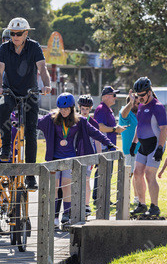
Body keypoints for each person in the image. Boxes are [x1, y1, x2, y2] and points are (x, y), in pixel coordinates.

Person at [38, 93, 116, 225]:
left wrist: (108, 143)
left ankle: (66, 214)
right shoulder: (51, 118)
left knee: (66, 185)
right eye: (61, 109)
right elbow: (37, 123)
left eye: (66, 109)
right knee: (54, 187)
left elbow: (95, 132)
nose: (63, 111)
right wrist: (20, 120)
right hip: (54, 159)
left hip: (70, 158)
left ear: (72, 108)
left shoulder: (80, 121)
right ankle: (54, 217)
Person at [0, 17, 52, 191]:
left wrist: (46, 85)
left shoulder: (34, 47)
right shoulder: (4, 48)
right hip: (9, 91)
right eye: (12, 33)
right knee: (3, 107)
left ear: (26, 33)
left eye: (19, 34)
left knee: (31, 132)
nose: (15, 37)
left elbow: (42, 68)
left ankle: (30, 175)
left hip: (30, 93)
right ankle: (5, 147)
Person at [129, 77, 167, 218]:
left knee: (149, 174)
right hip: (143, 145)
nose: (139, 98)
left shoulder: (158, 107)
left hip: (155, 145)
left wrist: (160, 148)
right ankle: (142, 204)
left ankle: (154, 206)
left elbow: (164, 129)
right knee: (137, 173)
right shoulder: (140, 106)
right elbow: (139, 126)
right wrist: (134, 143)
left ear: (149, 92)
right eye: (137, 95)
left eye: (142, 95)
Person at [92, 86, 125, 204]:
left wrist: (116, 129)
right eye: (113, 95)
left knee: (107, 173)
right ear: (106, 97)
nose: (115, 97)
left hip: (108, 147)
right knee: (103, 172)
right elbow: (99, 127)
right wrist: (115, 129)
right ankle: (99, 198)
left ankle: (103, 198)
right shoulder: (101, 109)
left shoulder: (107, 109)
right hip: (104, 147)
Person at [119, 90, 141, 204]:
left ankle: (137, 198)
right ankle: (124, 197)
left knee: (138, 175)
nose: (138, 105)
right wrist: (130, 103)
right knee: (128, 175)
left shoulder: (140, 113)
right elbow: (123, 114)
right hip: (129, 150)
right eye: (136, 103)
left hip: (140, 150)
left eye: (139, 103)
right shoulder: (126, 112)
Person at [78, 95, 100, 210]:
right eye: (83, 109)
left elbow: (97, 141)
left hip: (89, 155)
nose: (85, 111)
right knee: (75, 181)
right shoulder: (75, 120)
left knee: (86, 180)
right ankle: (75, 205)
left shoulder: (94, 123)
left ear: (91, 108)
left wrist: (99, 157)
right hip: (76, 155)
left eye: (87, 109)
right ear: (79, 108)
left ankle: (86, 205)